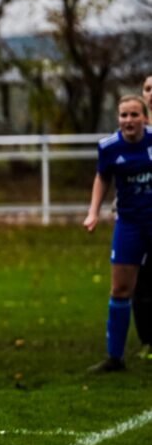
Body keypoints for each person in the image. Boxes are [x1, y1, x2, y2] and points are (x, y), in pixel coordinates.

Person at [83, 94, 152, 372]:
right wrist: (93, 212)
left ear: (145, 118)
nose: (129, 120)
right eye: (124, 115)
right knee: (121, 288)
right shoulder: (109, 147)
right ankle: (115, 357)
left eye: (134, 115)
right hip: (130, 225)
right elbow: (102, 177)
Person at [132, 75, 152, 360]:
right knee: (142, 278)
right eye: (147, 88)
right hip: (141, 217)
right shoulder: (133, 129)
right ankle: (148, 339)